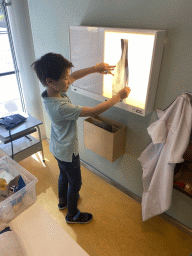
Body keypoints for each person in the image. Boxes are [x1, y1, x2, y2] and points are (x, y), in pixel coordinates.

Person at [31, 52, 131, 224]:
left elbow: (74, 76)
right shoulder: (61, 107)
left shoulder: (50, 92)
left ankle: (63, 202)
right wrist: (119, 97)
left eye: (67, 76)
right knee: (75, 184)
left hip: (57, 147)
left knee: (63, 175)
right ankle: (72, 214)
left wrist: (96, 68)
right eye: (65, 78)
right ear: (50, 81)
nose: (69, 80)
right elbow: (93, 112)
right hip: (68, 151)